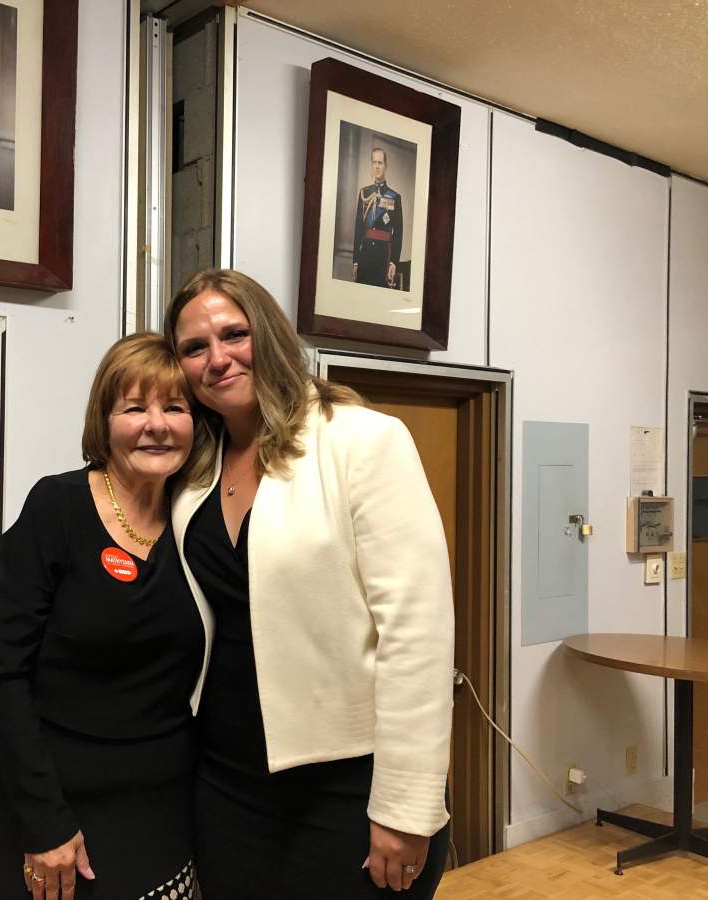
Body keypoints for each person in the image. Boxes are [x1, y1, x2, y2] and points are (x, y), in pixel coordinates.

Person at [165, 268, 454, 898]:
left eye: (233, 334)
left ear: (266, 335)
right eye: (194, 347)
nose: (217, 359)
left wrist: (406, 806)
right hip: (225, 780)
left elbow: (417, 635)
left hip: (348, 783)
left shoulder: (359, 440)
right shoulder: (194, 472)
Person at [0, 333, 206, 900]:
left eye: (175, 408)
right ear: (104, 421)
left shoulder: (198, 522)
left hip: (163, 812)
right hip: (55, 813)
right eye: (135, 408)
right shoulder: (56, 509)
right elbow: (4, 673)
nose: (156, 424)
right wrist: (44, 821)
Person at [352, 147, 403, 288]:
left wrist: (393, 262)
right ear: (371, 164)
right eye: (374, 162)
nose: (377, 166)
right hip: (365, 255)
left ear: (386, 165)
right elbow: (358, 228)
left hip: (383, 256)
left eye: (380, 162)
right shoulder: (364, 193)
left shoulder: (395, 197)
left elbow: (398, 233)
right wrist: (355, 260)